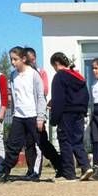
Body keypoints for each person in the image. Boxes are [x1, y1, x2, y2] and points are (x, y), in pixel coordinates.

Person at [0, 46, 47, 183]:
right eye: (11, 59)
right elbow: (14, 94)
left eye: (15, 59)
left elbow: (41, 96)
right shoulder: (13, 76)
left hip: (33, 115)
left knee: (36, 145)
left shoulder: (34, 74)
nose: (12, 62)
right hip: (18, 116)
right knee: (13, 145)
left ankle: (34, 172)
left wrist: (40, 117)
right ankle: (4, 172)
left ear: (23, 59)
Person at [49, 52, 93, 181]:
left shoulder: (60, 76)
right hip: (79, 112)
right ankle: (86, 166)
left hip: (66, 113)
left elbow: (58, 99)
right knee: (77, 141)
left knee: (65, 141)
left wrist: (54, 118)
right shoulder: (79, 77)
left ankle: (69, 173)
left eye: (54, 66)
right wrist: (83, 111)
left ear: (56, 64)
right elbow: (86, 96)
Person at [23, 47, 61, 179]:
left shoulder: (40, 72)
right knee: (28, 143)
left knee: (41, 142)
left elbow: (44, 90)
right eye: (29, 60)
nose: (32, 62)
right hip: (24, 113)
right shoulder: (19, 74)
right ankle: (31, 169)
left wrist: (41, 116)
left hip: (37, 113)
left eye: (33, 59)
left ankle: (56, 165)